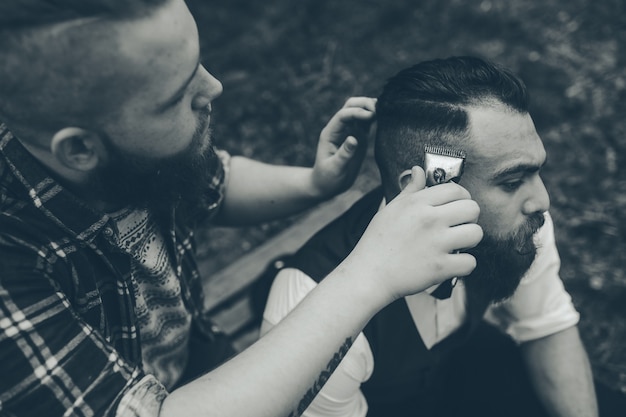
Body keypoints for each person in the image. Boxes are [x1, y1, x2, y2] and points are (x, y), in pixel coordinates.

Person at [0, 2, 484, 417]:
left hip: (189, 354)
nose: (213, 89)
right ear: (80, 151)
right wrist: (368, 274)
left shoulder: (130, 148)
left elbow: (215, 183)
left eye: (198, 65)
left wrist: (316, 183)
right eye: (177, 97)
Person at [261, 56, 623, 417]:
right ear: (431, 188)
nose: (542, 201)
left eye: (536, 172)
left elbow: (547, 327)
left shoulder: (519, 222)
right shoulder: (311, 318)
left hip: (459, 367)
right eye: (511, 182)